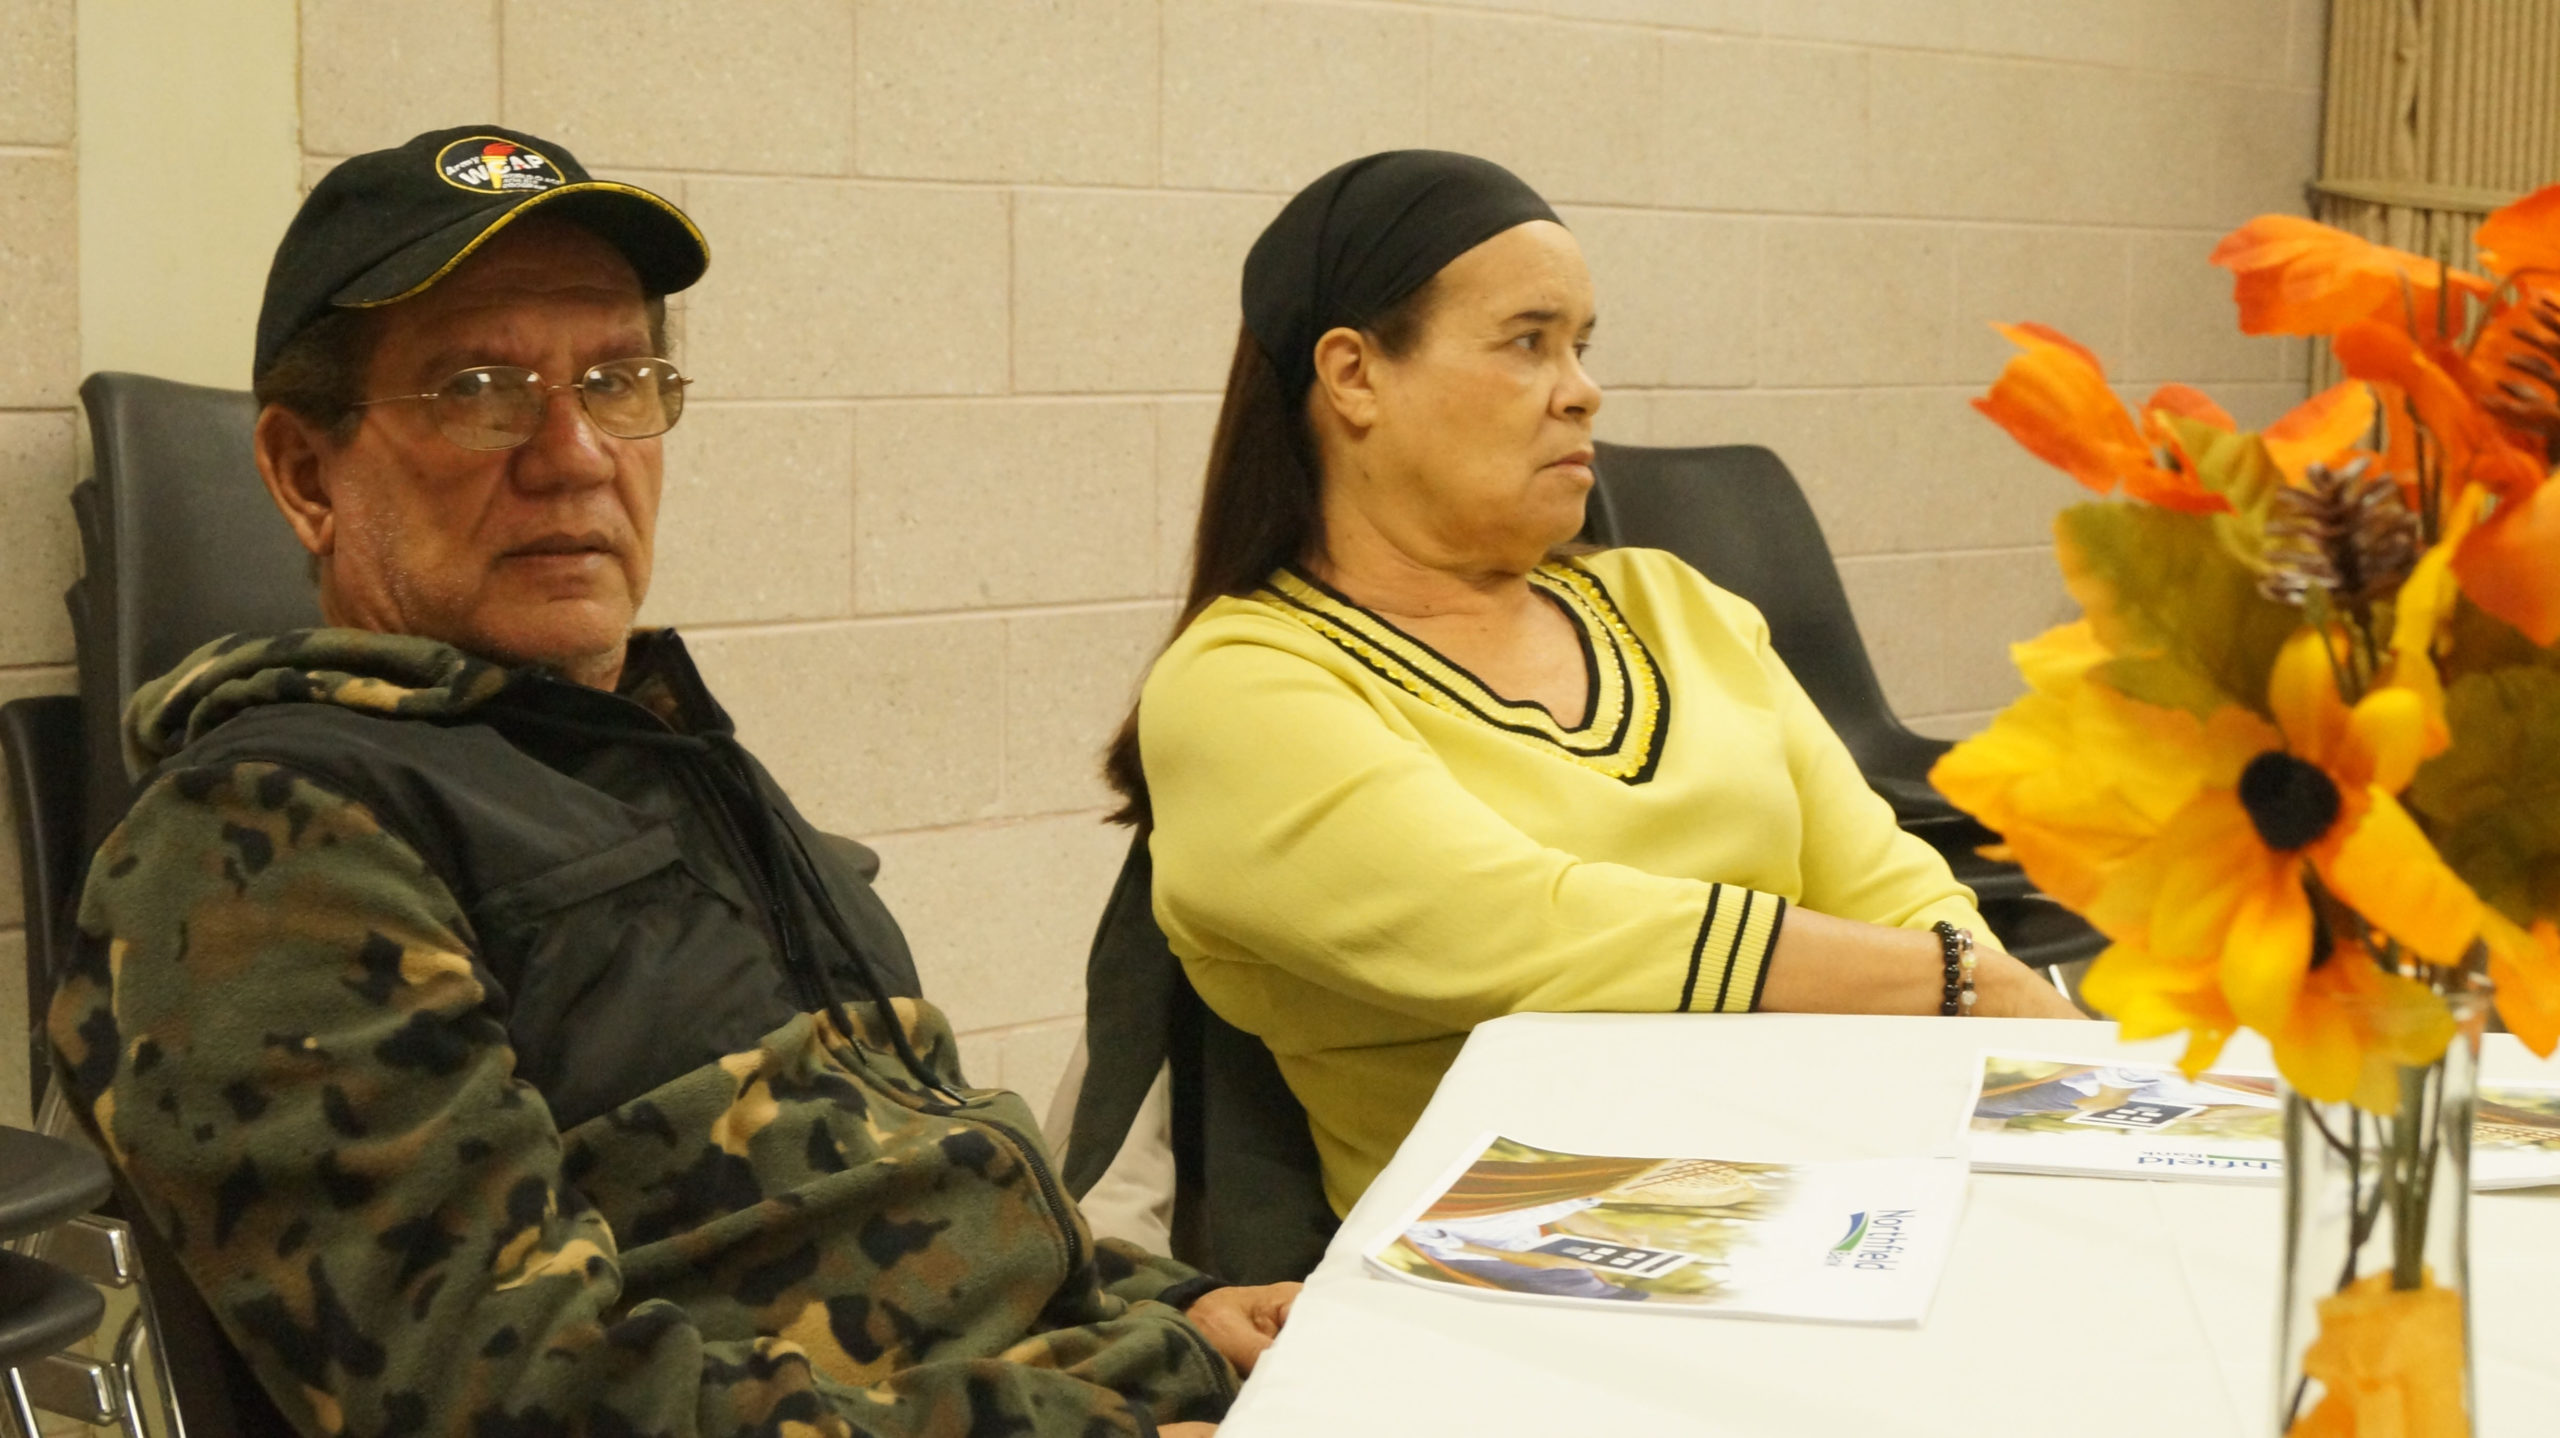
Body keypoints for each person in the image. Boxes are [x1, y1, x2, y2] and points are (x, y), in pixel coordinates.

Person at [47, 125, 1286, 1438]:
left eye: (618, 379)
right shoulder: (270, 843)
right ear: (307, 475)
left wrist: (1176, 1319)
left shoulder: (662, 764)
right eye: (481, 389)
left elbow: (924, 1195)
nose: (577, 451)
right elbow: (521, 1406)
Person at [1106, 150, 2085, 1219]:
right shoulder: (1243, 685)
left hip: (1839, 1190)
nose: (1583, 390)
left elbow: (1892, 887)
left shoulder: (1674, 606)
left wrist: (2001, 1027)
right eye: (1528, 342)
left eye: (1581, 345)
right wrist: (1958, 980)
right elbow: (1532, 932)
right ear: (1354, 376)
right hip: (1526, 1246)